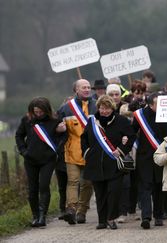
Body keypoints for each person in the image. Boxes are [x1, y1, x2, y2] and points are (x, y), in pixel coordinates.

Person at [81, 95, 135, 230]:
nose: (104, 111)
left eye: (107, 108)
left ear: (112, 108)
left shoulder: (121, 121)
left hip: (114, 163)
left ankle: (111, 218)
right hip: (95, 164)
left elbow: (131, 136)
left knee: (113, 192)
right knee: (100, 194)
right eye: (102, 108)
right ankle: (101, 220)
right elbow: (84, 138)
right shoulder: (92, 121)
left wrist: (121, 150)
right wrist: (87, 152)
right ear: (98, 108)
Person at [15, 97, 66, 227]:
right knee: (32, 189)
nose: (38, 114)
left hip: (47, 160)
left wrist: (56, 150)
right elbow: (19, 135)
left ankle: (43, 216)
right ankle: (35, 215)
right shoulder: (27, 120)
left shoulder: (55, 121)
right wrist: (23, 151)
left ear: (46, 110)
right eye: (36, 111)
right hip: (30, 159)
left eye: (40, 111)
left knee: (44, 186)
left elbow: (63, 137)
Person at [57, 79, 96, 225]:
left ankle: (82, 211)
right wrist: (58, 129)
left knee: (87, 183)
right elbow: (55, 125)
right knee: (72, 181)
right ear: (76, 90)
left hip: (91, 151)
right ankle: (71, 209)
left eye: (88, 87)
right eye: (83, 87)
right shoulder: (66, 108)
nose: (87, 89)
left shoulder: (97, 105)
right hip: (72, 150)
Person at [132, 92, 167, 229]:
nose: (161, 106)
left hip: (162, 156)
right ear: (150, 104)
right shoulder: (140, 115)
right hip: (145, 156)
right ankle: (146, 217)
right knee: (145, 186)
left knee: (159, 186)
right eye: (157, 104)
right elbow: (133, 132)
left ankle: (159, 215)